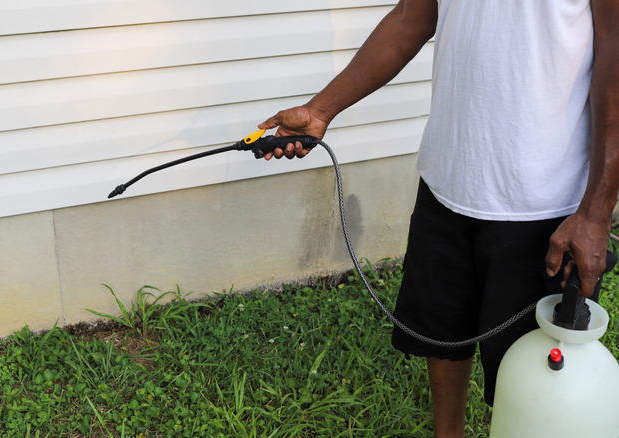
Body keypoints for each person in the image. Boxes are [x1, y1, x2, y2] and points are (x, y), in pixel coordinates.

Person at [258, 1, 619, 437]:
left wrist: (596, 215)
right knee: (444, 333)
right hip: (448, 179)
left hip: (543, 203)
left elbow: (615, 49)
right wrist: (319, 111)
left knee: (534, 380)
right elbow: (412, 16)